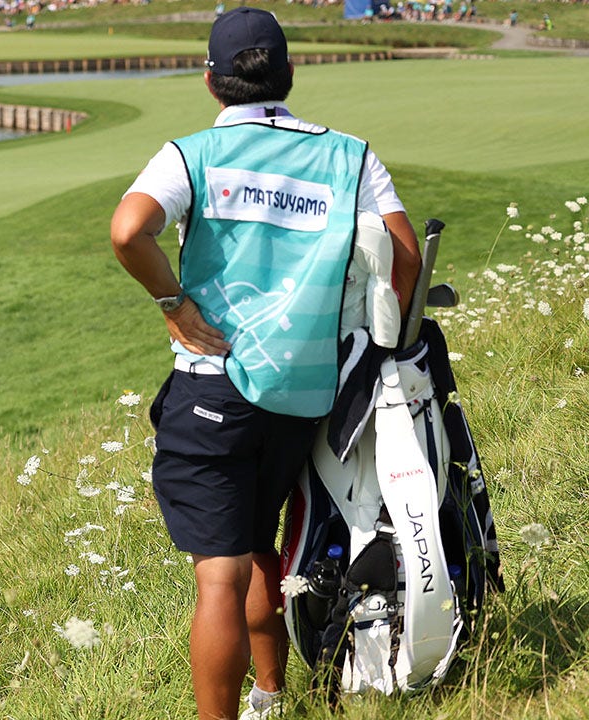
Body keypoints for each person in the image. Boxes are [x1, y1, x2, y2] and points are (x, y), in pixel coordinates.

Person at [109, 8, 419, 719]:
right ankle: (270, 695)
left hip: (213, 391)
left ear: (211, 81)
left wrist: (173, 302)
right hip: (301, 393)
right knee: (256, 541)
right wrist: (378, 343)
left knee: (219, 573)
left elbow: (129, 231)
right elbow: (403, 257)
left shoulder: (190, 154)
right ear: (288, 73)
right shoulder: (351, 155)